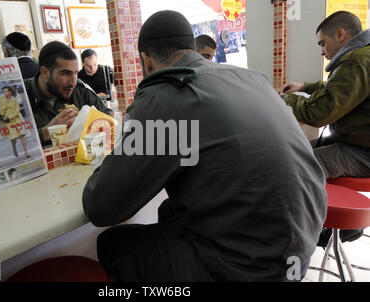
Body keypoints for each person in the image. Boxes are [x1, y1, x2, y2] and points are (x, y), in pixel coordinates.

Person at [82, 10, 327, 281]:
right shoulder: (250, 78)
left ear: (145, 61)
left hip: (254, 268)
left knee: (112, 243)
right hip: (302, 249)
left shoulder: (163, 96)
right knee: (169, 212)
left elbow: (100, 207)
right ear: (192, 47)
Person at [280, 11, 370, 247]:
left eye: (323, 43)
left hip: (363, 152)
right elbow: (339, 88)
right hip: (357, 143)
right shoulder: (362, 56)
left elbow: (321, 113)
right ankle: (342, 225)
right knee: (299, 149)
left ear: (340, 34)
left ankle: (318, 228)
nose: (321, 50)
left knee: (299, 163)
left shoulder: (356, 61)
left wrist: (283, 100)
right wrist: (305, 87)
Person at [24, 41, 113, 146]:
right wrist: (45, 133)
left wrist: (91, 125)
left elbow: (110, 121)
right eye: (65, 73)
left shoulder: (81, 91)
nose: (73, 82)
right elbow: (6, 148)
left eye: (75, 73)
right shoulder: (19, 96)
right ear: (45, 72)